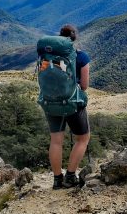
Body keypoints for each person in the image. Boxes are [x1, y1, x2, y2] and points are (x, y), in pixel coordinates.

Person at [46, 24, 91, 189]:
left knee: (56, 141)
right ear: (74, 37)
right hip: (72, 103)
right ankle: (70, 176)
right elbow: (84, 86)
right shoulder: (81, 57)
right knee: (83, 138)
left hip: (50, 101)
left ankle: (57, 180)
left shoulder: (49, 56)